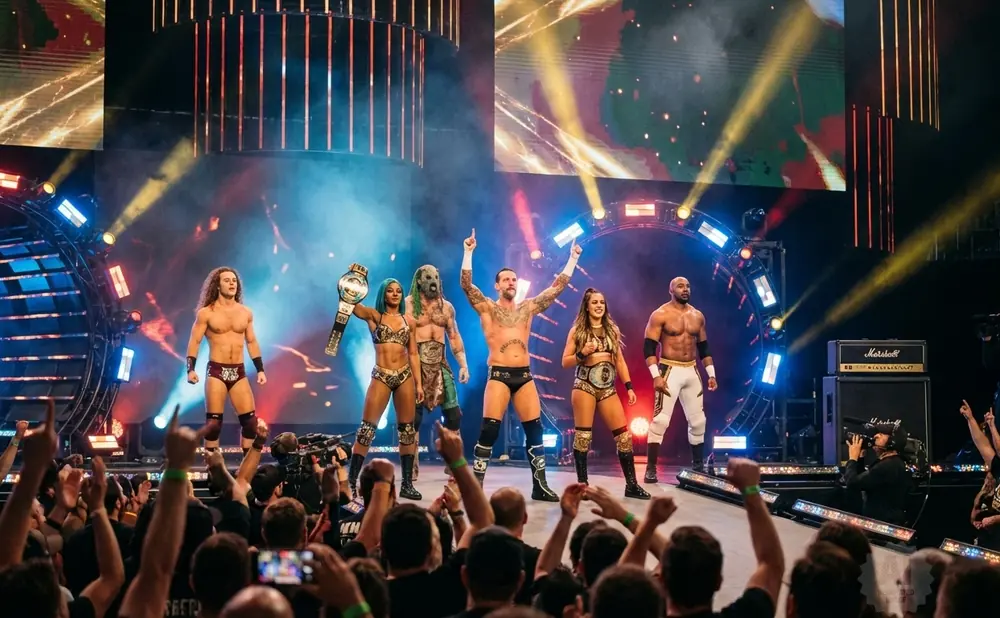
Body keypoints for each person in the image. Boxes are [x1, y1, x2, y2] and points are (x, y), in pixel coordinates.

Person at [460, 228, 581, 501]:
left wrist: (572, 259)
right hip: (499, 375)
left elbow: (556, 289)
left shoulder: (528, 307)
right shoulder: (487, 308)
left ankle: (540, 486)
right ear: (497, 285)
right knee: (489, 430)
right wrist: (468, 252)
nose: (511, 282)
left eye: (513, 279)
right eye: (506, 279)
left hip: (524, 376)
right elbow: (467, 286)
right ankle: (475, 488)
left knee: (535, 430)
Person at [561, 287, 649, 499]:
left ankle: (631, 486)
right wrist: (582, 353)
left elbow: (620, 361)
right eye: (594, 302)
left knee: (624, 437)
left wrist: (629, 386)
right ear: (587, 306)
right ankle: (582, 486)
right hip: (584, 386)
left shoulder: (612, 330)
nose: (599, 305)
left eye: (602, 302)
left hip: (607, 388)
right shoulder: (577, 331)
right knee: (583, 437)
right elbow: (565, 361)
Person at [345, 278, 424, 501]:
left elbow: (414, 354)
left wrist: (419, 384)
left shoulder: (409, 321)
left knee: (407, 431)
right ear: (384, 294)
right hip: (381, 375)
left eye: (399, 291)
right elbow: (353, 307)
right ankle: (351, 481)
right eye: (390, 291)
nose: (395, 294)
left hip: (405, 376)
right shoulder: (374, 316)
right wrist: (352, 279)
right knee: (366, 430)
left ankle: (407, 484)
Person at [186, 266, 267, 454]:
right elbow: (195, 341)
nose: (232, 283)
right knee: (213, 425)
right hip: (217, 371)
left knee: (250, 424)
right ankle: (212, 469)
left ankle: (247, 468)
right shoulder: (206, 313)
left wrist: (260, 369)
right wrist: (190, 369)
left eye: (234, 280)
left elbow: (251, 341)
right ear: (217, 285)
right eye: (227, 280)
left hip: (238, 371)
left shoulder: (245, 312)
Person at [642, 276, 717, 480]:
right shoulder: (660, 314)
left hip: (691, 370)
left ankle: (698, 467)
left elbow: (704, 348)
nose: (685, 289)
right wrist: (656, 376)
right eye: (680, 286)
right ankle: (651, 468)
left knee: (698, 421)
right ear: (671, 290)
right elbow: (648, 347)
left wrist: (711, 374)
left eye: (688, 286)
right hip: (669, 369)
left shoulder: (698, 316)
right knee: (660, 421)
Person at [405, 264, 470, 479]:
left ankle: (453, 463)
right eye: (428, 277)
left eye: (435, 277)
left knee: (454, 415)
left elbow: (454, 336)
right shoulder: (408, 305)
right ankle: (411, 467)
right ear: (419, 281)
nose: (433, 281)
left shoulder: (446, 307)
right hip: (415, 365)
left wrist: (463, 365)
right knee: (412, 419)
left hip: (441, 364)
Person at [843, 420, 911, 524]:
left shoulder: (887, 466)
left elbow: (852, 484)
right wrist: (860, 458)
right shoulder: (893, 462)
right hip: (884, 521)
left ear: (892, 441)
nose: (876, 436)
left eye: (882, 434)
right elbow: (864, 482)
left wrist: (852, 459)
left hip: (883, 524)